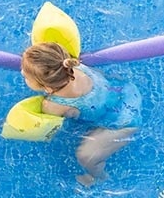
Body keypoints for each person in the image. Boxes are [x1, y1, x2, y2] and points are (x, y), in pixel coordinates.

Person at [20, 41, 141, 186]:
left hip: (123, 124)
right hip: (126, 92)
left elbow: (47, 130)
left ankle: (97, 177)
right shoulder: (77, 66)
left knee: (85, 157)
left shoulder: (54, 105)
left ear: (45, 86)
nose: (22, 73)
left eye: (26, 76)